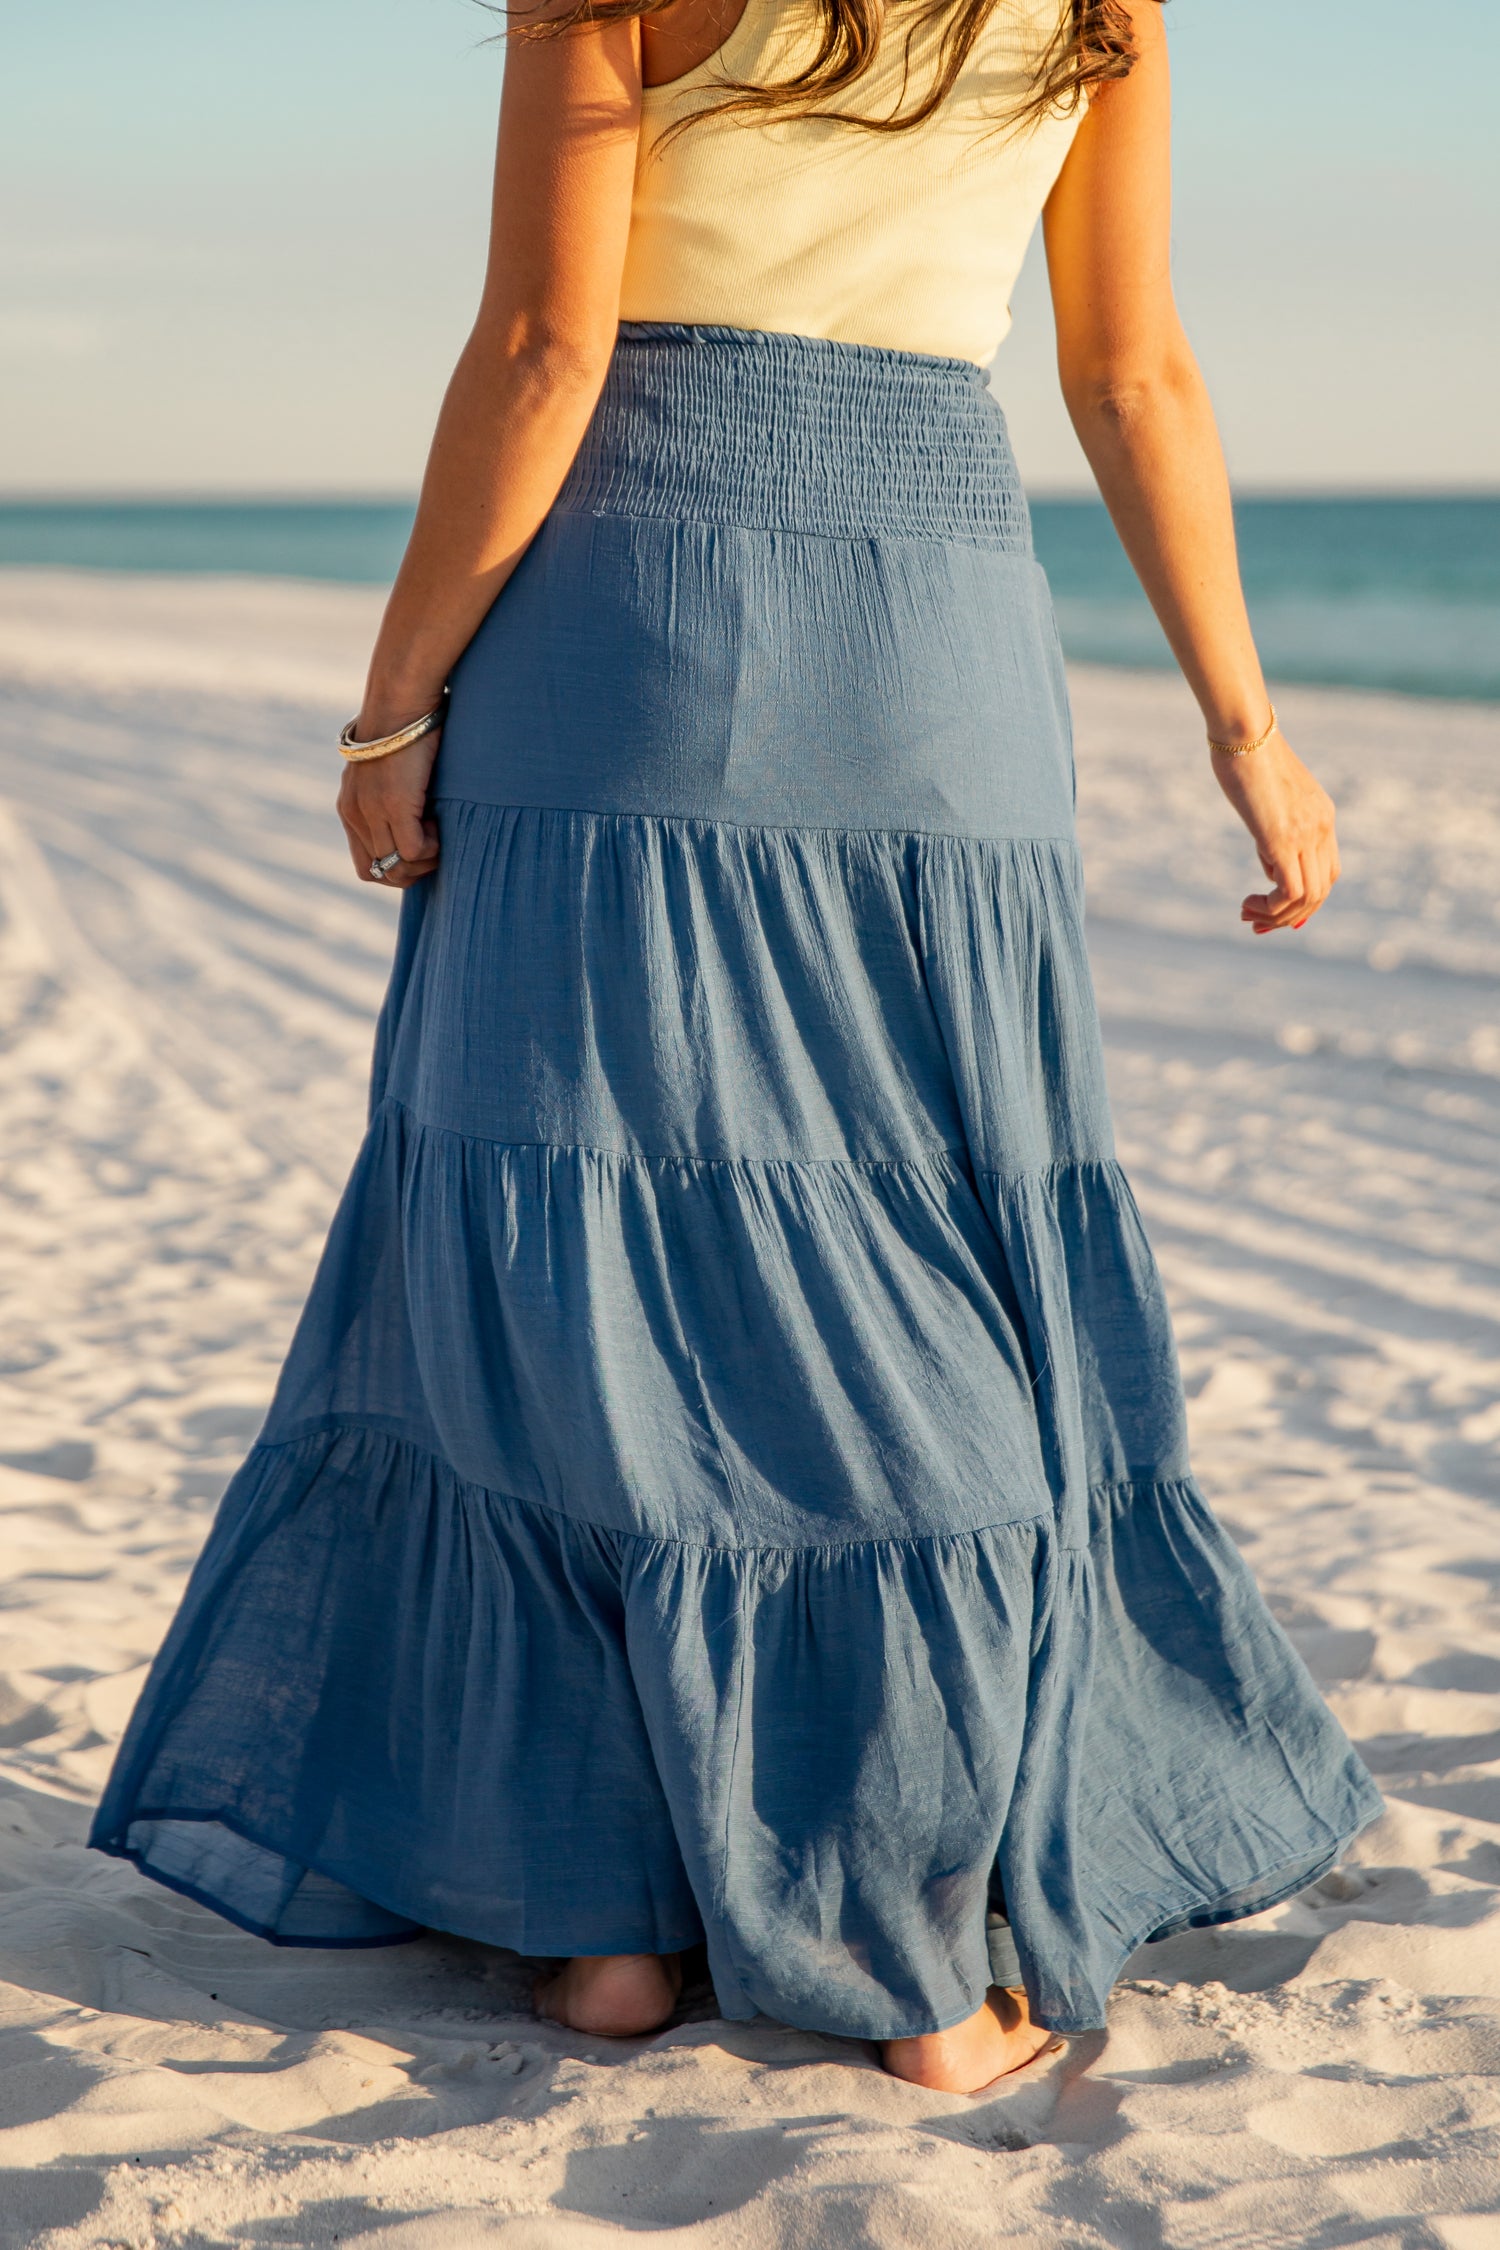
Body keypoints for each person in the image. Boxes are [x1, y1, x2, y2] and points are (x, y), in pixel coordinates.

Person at [91, 0, 1381, 2094]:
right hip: (936, 645)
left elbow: (540, 351)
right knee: (920, 1246)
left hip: (630, 632)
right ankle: (905, 1922)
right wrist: (1249, 724)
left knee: (583, 1255)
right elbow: (1131, 368)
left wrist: (394, 696)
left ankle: (611, 1923)